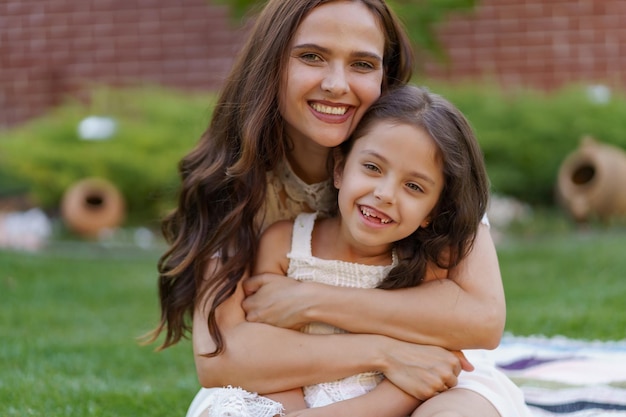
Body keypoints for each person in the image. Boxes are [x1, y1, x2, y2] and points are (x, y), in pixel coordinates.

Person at [146, 0, 510, 415]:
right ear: (270, 64)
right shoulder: (230, 181)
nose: (337, 84)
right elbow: (222, 357)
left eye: (362, 64)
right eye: (311, 57)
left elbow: (481, 319)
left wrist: (311, 299)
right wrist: (385, 351)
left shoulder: (424, 160)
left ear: (383, 76)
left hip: (418, 380)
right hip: (291, 381)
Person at [240, 84, 532, 417]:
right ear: (339, 168)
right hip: (304, 393)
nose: (385, 193)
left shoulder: (424, 263)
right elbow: (273, 359)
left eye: (414, 186)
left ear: (432, 212)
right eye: (373, 168)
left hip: (406, 400)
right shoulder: (285, 245)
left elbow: (427, 375)